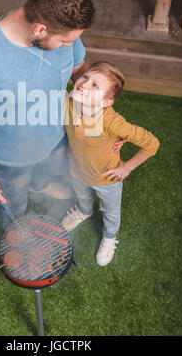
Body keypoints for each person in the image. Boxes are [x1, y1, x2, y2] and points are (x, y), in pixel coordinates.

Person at [0, 0, 98, 230]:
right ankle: (14, 230)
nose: (69, 45)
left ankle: (40, 184)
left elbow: (79, 71)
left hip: (57, 136)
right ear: (40, 30)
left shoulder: (67, 33)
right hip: (13, 159)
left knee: (50, 169)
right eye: (64, 42)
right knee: (14, 206)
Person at [61, 61, 160, 266]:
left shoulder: (112, 122)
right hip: (77, 170)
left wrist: (126, 167)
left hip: (106, 178)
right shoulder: (69, 101)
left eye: (95, 85)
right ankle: (84, 211)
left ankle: (109, 237)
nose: (84, 84)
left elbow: (152, 144)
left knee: (111, 211)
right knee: (81, 195)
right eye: (86, 77)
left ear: (106, 103)